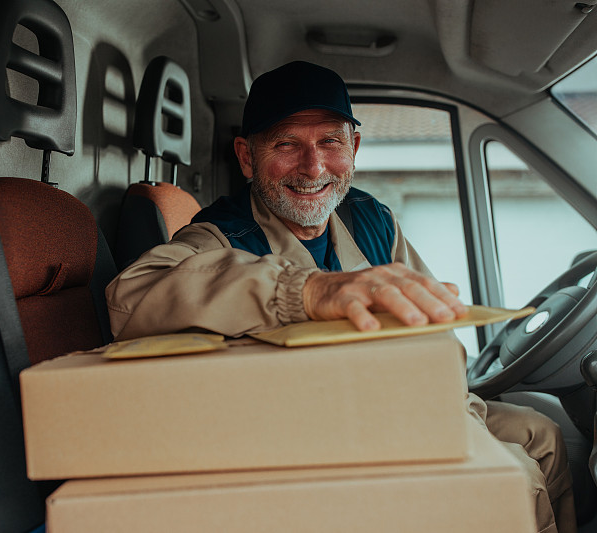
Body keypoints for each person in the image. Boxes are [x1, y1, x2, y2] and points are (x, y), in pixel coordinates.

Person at [106, 60, 576, 533]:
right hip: (317, 436)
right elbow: (129, 297)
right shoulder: (222, 235)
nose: (313, 167)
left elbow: (432, 331)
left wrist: (451, 404)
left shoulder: (371, 219)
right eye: (286, 144)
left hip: (400, 399)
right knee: (516, 482)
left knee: (544, 435)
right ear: (247, 157)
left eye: (330, 141)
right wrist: (304, 290)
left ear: (353, 147)